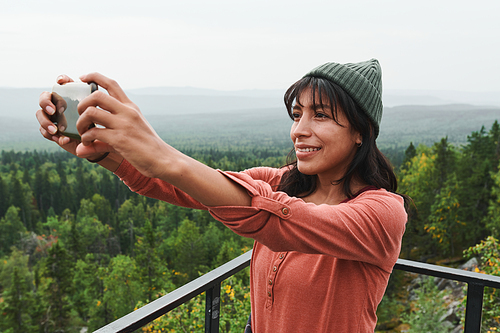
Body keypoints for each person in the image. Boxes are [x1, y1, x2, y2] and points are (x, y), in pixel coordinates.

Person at [37, 59, 408, 332]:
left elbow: (273, 218)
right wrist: (105, 151)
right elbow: (184, 187)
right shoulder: (278, 182)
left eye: (321, 116)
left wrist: (160, 152)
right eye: (297, 115)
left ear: (361, 131)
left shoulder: (381, 213)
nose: (299, 130)